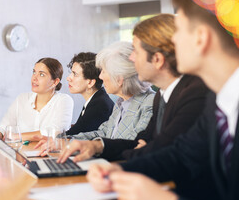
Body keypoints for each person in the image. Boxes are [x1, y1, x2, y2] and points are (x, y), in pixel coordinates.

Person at [87, 0, 239, 200]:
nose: (172, 42)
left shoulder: (205, 95)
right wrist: (121, 172)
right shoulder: (217, 102)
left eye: (178, 30)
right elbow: (181, 154)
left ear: (201, 38)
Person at [58, 14, 209, 163]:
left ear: (157, 59)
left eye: (136, 51)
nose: (132, 58)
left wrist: (116, 167)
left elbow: (159, 151)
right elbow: (139, 144)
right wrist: (94, 145)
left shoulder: (192, 95)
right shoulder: (160, 96)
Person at [0, 57, 73, 141]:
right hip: (21, 152)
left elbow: (55, 132)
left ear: (55, 82)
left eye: (41, 74)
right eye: (34, 72)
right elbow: (3, 127)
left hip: (49, 153)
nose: (34, 78)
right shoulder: (22, 98)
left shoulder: (64, 100)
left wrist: (17, 136)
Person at [65, 52, 114, 136]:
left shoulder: (99, 105)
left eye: (75, 74)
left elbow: (74, 135)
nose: (68, 78)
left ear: (90, 82)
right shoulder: (97, 99)